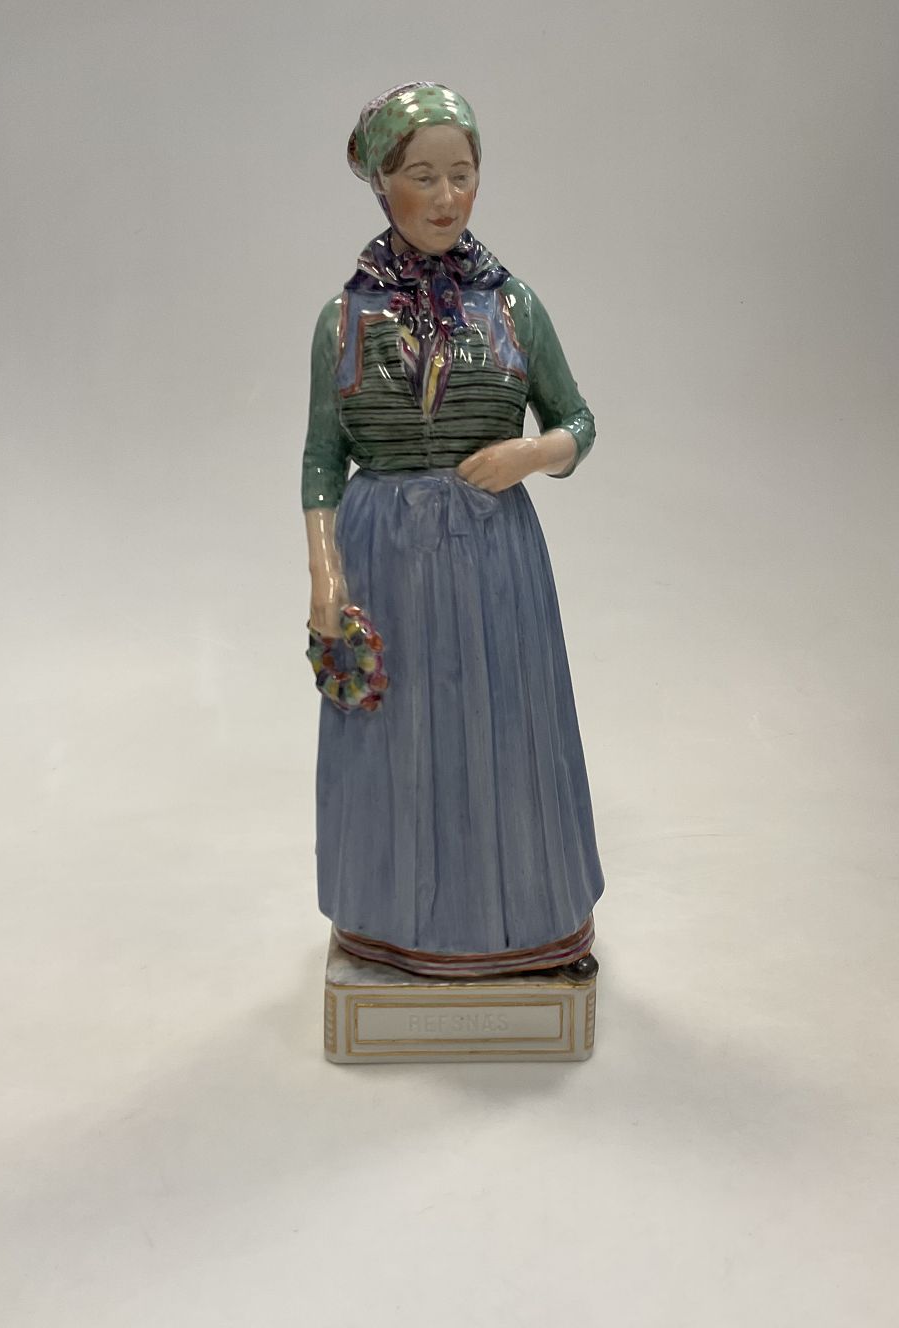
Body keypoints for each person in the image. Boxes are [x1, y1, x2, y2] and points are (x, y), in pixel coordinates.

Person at [302, 82, 604, 979]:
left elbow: (579, 422)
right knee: (393, 737)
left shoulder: (513, 308)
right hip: (384, 556)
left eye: (462, 175)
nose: (445, 198)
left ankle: (524, 920)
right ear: (381, 184)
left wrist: (532, 454)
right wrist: (325, 575)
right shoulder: (344, 321)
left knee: (505, 728)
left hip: (492, 554)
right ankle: (391, 919)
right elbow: (321, 458)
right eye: (423, 176)